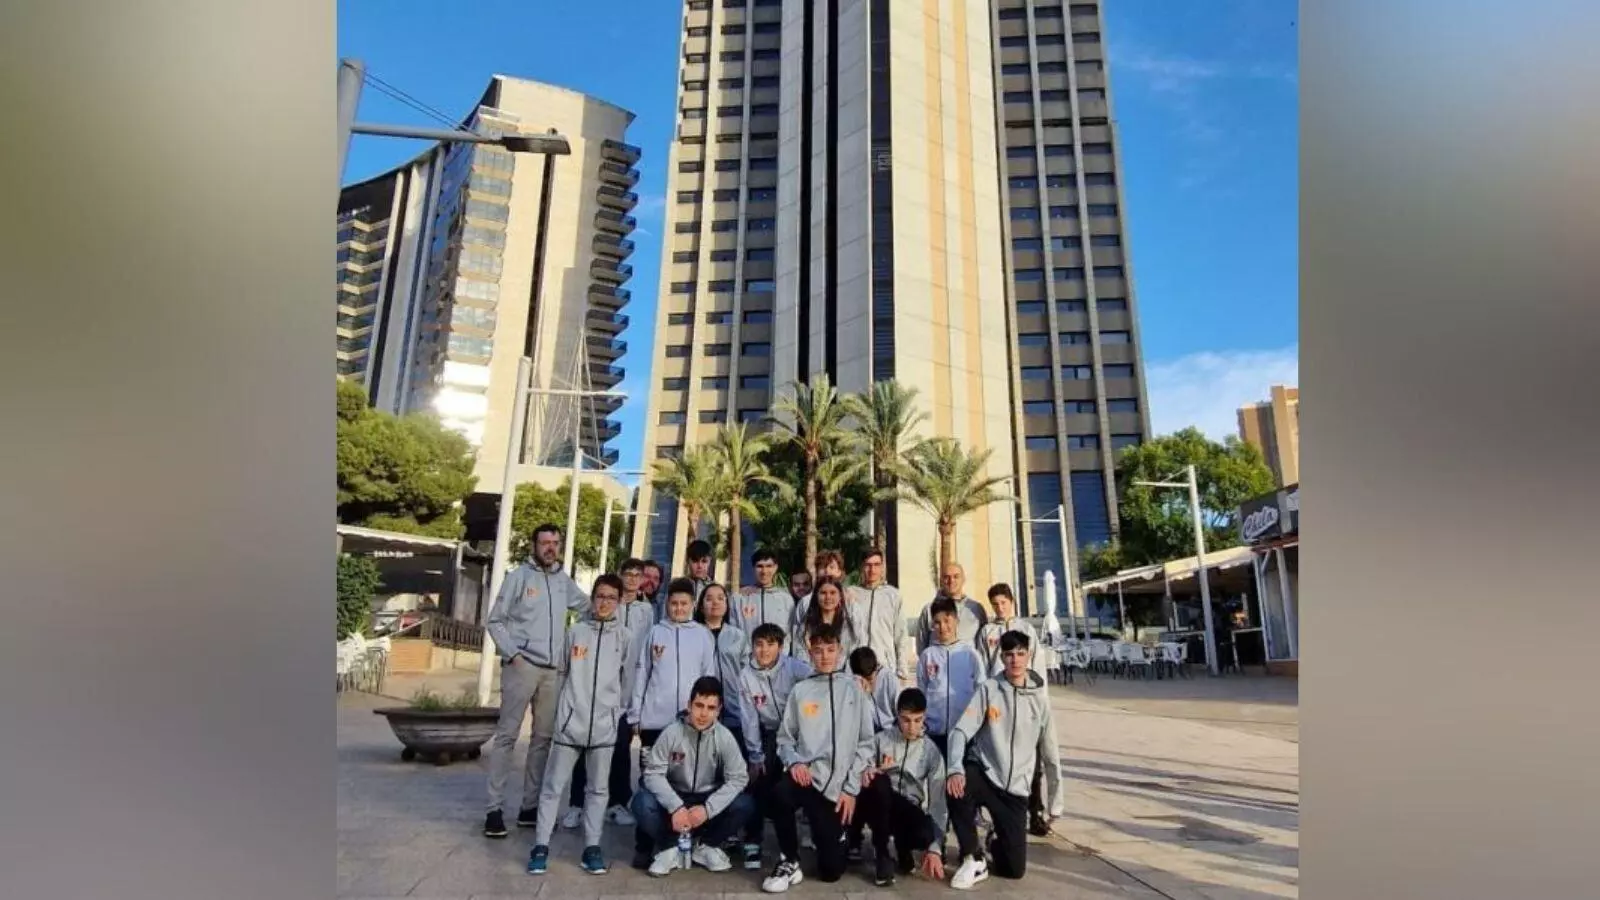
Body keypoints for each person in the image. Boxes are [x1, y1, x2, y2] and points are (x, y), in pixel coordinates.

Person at [483, 523, 589, 838]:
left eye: (555, 542)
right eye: (545, 542)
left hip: (552, 672)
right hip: (522, 667)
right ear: (534, 545)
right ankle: (494, 809)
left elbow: (588, 607)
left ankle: (529, 807)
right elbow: (495, 621)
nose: (550, 548)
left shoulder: (563, 581)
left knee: (542, 740)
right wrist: (514, 654)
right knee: (507, 736)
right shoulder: (518, 578)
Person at [526, 574, 636, 876]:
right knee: (553, 787)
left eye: (611, 598)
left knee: (598, 790)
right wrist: (562, 714)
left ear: (618, 602)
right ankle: (540, 846)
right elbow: (560, 674)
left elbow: (627, 681)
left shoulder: (624, 638)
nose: (604, 603)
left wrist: (615, 713)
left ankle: (592, 847)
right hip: (570, 725)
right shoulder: (575, 632)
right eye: (600, 596)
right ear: (592, 598)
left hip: (603, 728)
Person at [944, 631, 1065, 888]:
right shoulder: (989, 690)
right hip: (986, 773)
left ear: (1029, 656)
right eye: (1009, 654)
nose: (1015, 660)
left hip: (1015, 790)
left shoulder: (1040, 700)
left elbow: (1051, 754)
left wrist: (1056, 802)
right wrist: (954, 768)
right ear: (1002, 657)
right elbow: (960, 730)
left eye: (1020, 654)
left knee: (1014, 870)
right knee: (957, 786)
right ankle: (973, 857)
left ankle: (995, 841)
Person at [760, 624, 874, 893]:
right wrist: (795, 761)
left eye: (830, 650)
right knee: (779, 793)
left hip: (838, 789)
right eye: (818, 650)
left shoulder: (854, 690)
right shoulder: (801, 691)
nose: (824, 656)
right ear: (810, 653)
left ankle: (840, 835)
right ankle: (790, 859)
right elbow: (785, 739)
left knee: (831, 872)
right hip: (808, 778)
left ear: (840, 651)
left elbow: (866, 743)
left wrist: (850, 789)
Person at [628, 578, 718, 868]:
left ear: (693, 604)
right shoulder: (656, 632)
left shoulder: (703, 635)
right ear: (667, 604)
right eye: (674, 603)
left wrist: (709, 714)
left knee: (681, 780)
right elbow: (642, 673)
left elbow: (709, 676)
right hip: (655, 722)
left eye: (684, 603)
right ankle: (645, 844)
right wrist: (636, 714)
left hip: (690, 723)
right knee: (650, 781)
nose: (679, 608)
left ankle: (681, 839)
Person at [631, 676, 755, 877]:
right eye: (699, 706)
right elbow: (652, 774)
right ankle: (670, 848)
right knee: (641, 802)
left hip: (707, 798)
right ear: (689, 705)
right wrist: (675, 806)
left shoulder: (724, 737)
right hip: (675, 797)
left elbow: (739, 778)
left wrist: (708, 809)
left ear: (718, 710)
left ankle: (706, 846)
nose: (703, 714)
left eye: (710, 708)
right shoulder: (671, 733)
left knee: (745, 804)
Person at [566, 558, 654, 828]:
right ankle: (576, 804)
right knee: (584, 747)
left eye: (637, 575)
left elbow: (644, 652)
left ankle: (617, 802)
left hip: (625, 690)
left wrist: (634, 699)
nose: (632, 579)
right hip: (594, 688)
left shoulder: (646, 611)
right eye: (628, 574)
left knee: (620, 749)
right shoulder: (605, 605)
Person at [975, 582, 1050, 836]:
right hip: (998, 701)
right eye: (995, 604)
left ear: (1012, 602)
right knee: (999, 756)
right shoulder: (987, 632)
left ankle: (1035, 810)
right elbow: (982, 666)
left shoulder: (1026, 629)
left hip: (1025, 699)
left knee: (1032, 759)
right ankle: (999, 813)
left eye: (1003, 603)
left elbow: (1038, 666)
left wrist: (1040, 698)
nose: (1000, 608)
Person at [736, 622, 814, 869]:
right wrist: (755, 755)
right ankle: (753, 839)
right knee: (759, 780)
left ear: (780, 647)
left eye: (770, 644)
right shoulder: (746, 676)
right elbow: (749, 719)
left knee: (802, 783)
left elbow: (819, 682)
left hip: (798, 733)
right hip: (769, 733)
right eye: (759, 644)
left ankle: (809, 833)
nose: (764, 650)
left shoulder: (794, 667)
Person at [857, 687, 947, 887]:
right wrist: (874, 770)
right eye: (906, 720)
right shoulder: (881, 740)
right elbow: (860, 768)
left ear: (924, 717)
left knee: (925, 833)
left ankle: (903, 846)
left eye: (917, 720)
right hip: (879, 804)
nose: (911, 727)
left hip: (908, 807)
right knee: (878, 783)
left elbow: (938, 801)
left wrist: (935, 847)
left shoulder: (931, 751)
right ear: (897, 716)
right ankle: (882, 853)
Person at [843, 646, 903, 863]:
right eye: (862, 678)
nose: (868, 682)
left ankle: (883, 842)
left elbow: (901, 716)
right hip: (863, 743)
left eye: (870, 677)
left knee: (884, 792)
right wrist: (860, 692)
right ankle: (854, 837)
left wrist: (890, 748)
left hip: (888, 740)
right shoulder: (851, 685)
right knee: (857, 786)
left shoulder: (889, 680)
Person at [917, 598, 985, 763]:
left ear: (956, 621)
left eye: (947, 621)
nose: (942, 627)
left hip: (964, 733)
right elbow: (921, 691)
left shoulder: (970, 654)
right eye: (937, 622)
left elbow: (981, 692)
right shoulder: (928, 656)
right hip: (935, 733)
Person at [696, 583, 753, 758]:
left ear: (727, 605)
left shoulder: (738, 635)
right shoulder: (693, 633)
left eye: (720, 598)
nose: (715, 602)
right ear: (701, 606)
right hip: (703, 708)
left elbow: (747, 671)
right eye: (709, 599)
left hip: (734, 707)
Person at [848, 548, 913, 684]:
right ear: (862, 567)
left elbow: (901, 635)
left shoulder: (893, 596)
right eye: (868, 565)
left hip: (885, 668)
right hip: (856, 668)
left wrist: (902, 671)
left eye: (876, 565)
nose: (872, 570)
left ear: (882, 567)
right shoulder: (851, 594)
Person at [914, 563, 988, 655]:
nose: (951, 581)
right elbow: (921, 646)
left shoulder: (976, 609)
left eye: (956, 577)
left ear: (963, 579)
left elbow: (984, 644)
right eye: (946, 577)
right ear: (941, 580)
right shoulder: (928, 610)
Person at [734, 548, 797, 651]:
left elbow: (790, 633)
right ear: (753, 568)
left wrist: (781, 655)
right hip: (748, 657)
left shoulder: (785, 599)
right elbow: (735, 631)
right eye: (760, 566)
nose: (764, 571)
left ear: (776, 567)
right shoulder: (740, 598)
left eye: (769, 566)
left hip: (778, 658)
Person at [791, 574, 859, 660]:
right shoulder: (806, 625)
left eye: (833, 593)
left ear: (840, 596)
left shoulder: (848, 624)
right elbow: (799, 654)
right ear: (816, 596)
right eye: (823, 593)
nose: (828, 597)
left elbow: (852, 652)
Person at [790, 550, 845, 627]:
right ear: (817, 571)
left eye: (831, 567)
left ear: (839, 572)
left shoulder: (849, 599)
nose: (827, 571)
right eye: (823, 567)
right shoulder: (805, 602)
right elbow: (797, 630)